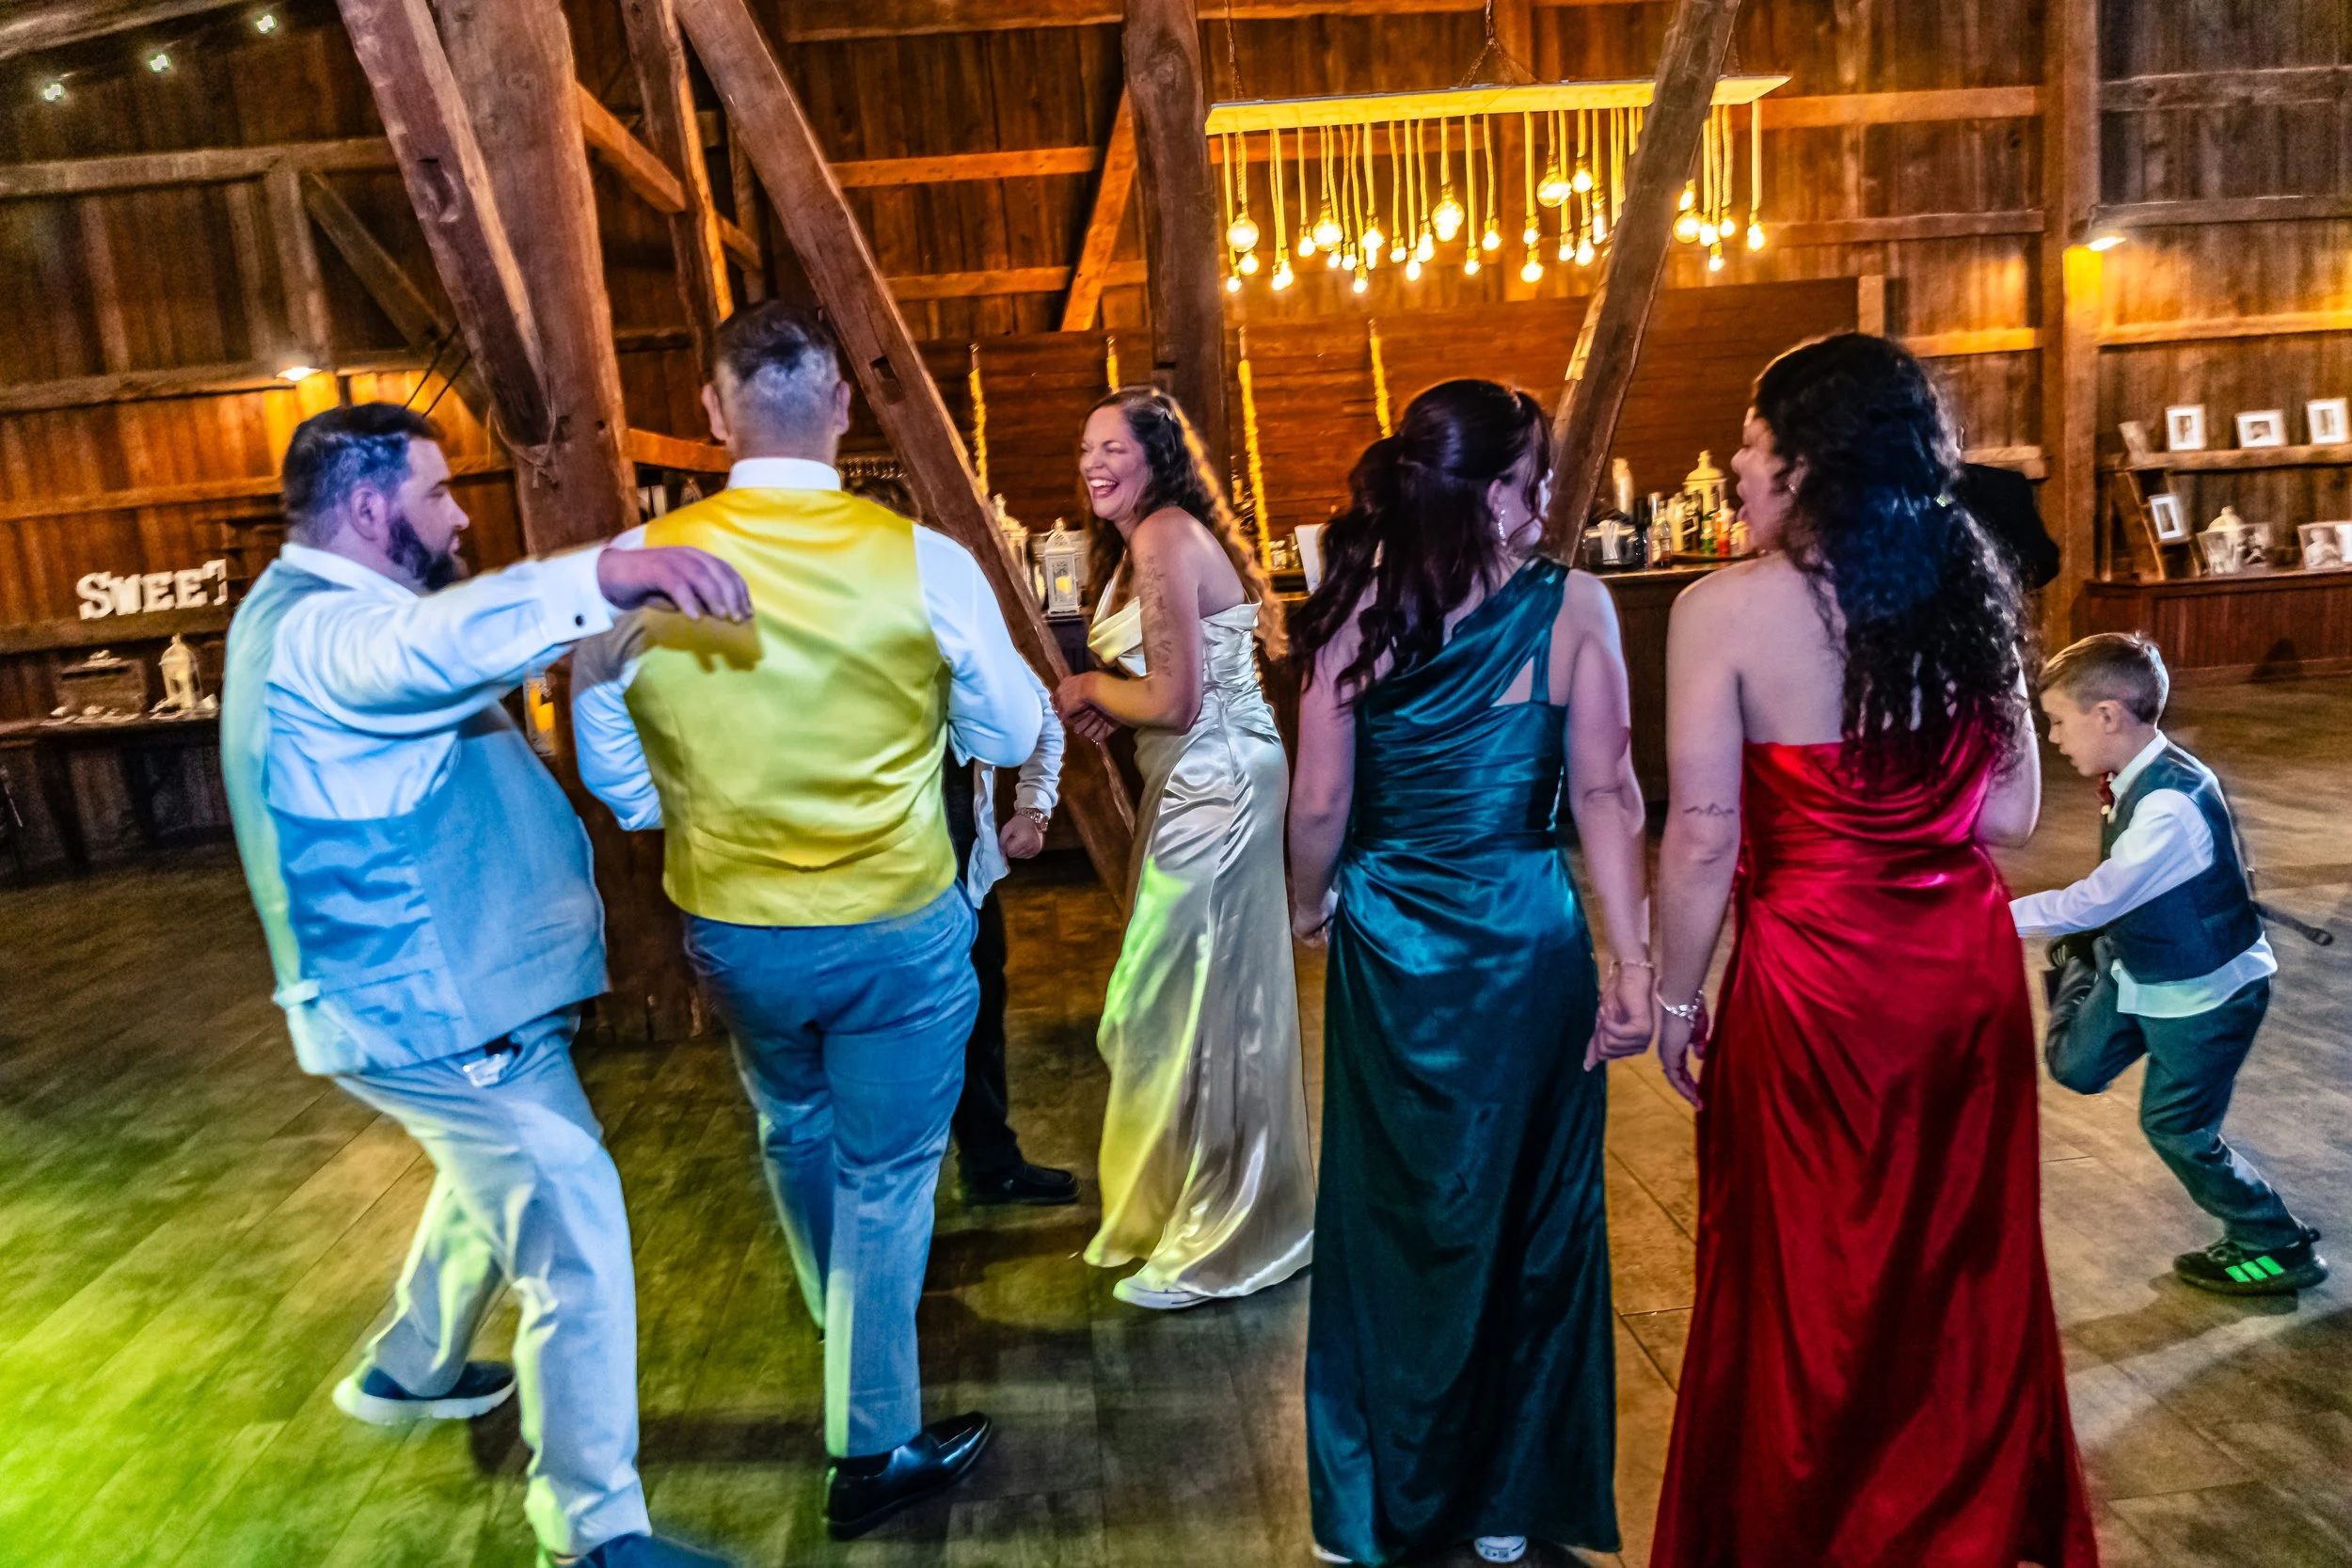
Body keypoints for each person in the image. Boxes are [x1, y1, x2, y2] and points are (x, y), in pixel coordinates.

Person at [222, 404, 750, 1568]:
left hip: (430, 993)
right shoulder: (331, 636)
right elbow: (436, 648)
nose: (459, 512)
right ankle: (594, 1530)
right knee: (574, 1233)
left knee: (490, 1176)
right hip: (430, 1001)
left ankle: (409, 1365)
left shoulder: (296, 610)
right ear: (368, 509)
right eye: (437, 492)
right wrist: (612, 570)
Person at [570, 305, 1041, 1539]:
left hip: (735, 926)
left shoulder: (641, 561)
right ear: (842, 404)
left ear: (716, 413)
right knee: (890, 1172)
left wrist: (691, 795)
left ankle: (843, 1317)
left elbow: (611, 763)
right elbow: (1010, 728)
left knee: (792, 1117)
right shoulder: (922, 559)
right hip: (896, 918)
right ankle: (872, 1439)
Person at [1646, 335, 2097, 1568]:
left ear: (1805, 462)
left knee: (1807, 1278)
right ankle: (1956, 1521)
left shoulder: (1722, 609)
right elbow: (2006, 815)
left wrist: (1677, 1000)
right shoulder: (1967, 582)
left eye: (1750, 438)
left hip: (1810, 981)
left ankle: (1809, 1526)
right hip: (1955, 972)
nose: (1734, 462)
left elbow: (1698, 831)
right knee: (1957, 1265)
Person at [1285, 381, 1654, 1568]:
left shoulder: (1354, 612)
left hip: (1393, 943)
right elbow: (1606, 791)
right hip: (1525, 937)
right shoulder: (1575, 607)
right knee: (1531, 1216)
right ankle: (1506, 1502)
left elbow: (1321, 801)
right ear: (1492, 492)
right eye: (1535, 477)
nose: (1547, 497)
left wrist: (1310, 900)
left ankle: (1380, 1497)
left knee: (1389, 1214)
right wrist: (1631, 954)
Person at [1053, 386, 1315, 1310]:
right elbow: (1158, 694)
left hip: (1219, 779)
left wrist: (1089, 684)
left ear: (1158, 456)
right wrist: (1106, 697)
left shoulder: (1162, 536)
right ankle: (1185, 1207)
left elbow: (1172, 699)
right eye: (1085, 449)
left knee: (1173, 997)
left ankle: (1227, 1228)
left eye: (1111, 447)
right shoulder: (1137, 545)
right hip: (1192, 774)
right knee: (1180, 996)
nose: (1092, 464)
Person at [2016, 631, 2324, 1294]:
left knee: (2174, 1124)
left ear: (2107, 716)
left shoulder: (2167, 805)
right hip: (2140, 969)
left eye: (2059, 721)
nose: (2055, 737)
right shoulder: (2130, 777)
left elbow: (2094, 896)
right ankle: (2086, 961)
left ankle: (2276, 1243)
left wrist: (1982, 916)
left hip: (2204, 998)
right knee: (2074, 1065)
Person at [847, 473, 1078, 1207]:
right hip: (869, 888)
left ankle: (990, 1162)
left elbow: (1041, 713)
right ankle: (887, 1194)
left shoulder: (955, 635)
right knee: (881, 1047)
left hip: (965, 874)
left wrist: (1034, 812)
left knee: (979, 1022)